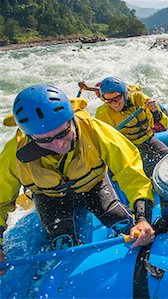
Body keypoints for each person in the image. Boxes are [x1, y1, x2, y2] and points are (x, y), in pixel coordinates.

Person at [0, 84, 156, 275]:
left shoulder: (94, 130)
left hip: (93, 186)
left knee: (125, 225)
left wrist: (142, 218)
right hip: (50, 197)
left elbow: (130, 169)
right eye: (45, 140)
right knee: (63, 244)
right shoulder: (13, 153)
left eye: (63, 133)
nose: (58, 144)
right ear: (30, 137)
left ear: (71, 119)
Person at [95, 76, 168, 177]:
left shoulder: (139, 99)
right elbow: (99, 142)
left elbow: (162, 125)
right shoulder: (102, 114)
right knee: (140, 173)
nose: (114, 104)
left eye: (116, 98)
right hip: (127, 148)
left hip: (147, 139)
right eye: (108, 100)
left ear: (125, 94)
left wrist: (154, 111)